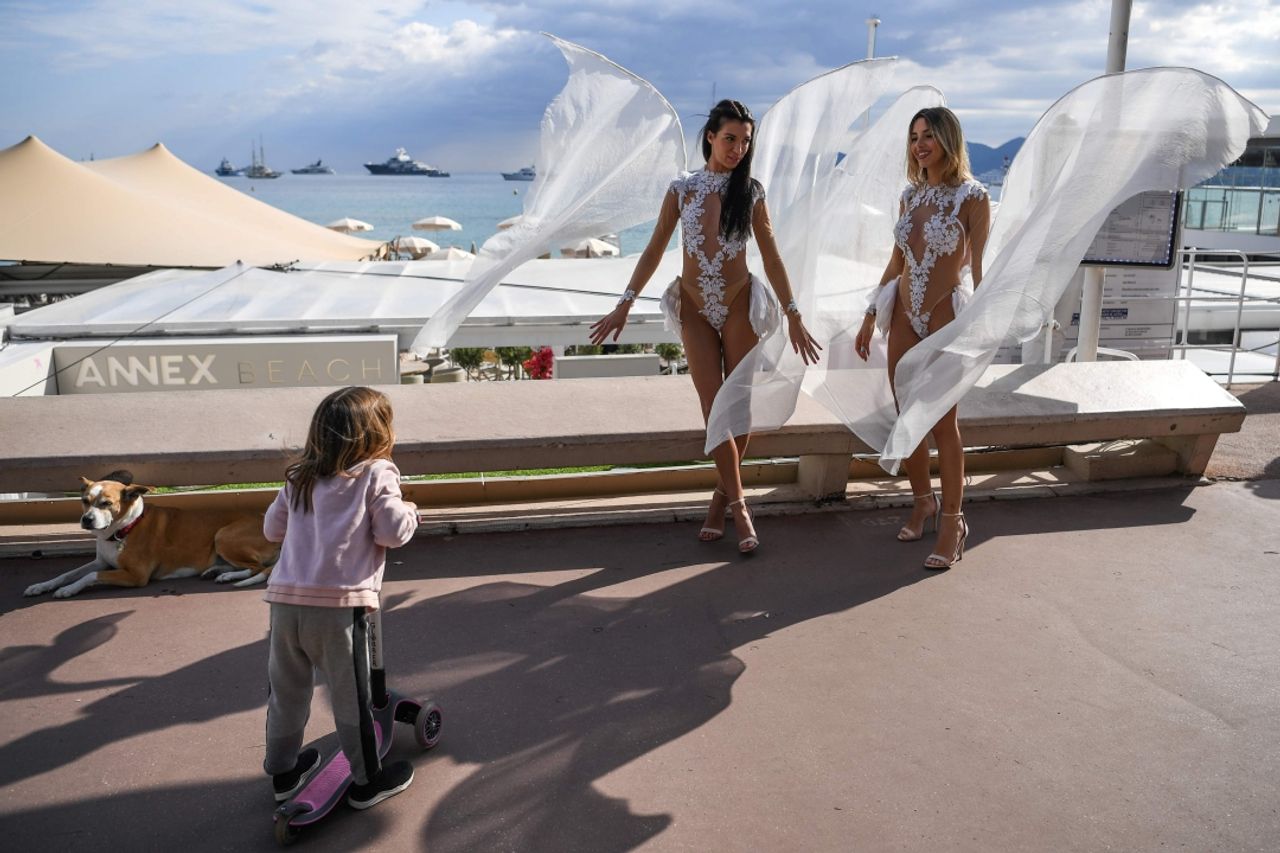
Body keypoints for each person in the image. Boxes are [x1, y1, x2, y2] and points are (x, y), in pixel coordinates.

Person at [590, 99, 821, 554]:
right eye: (730, 138)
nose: (738, 148)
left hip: (738, 303)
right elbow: (656, 246)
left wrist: (794, 313)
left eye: (745, 140)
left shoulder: (751, 192)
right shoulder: (682, 189)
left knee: (740, 409)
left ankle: (720, 501)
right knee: (713, 406)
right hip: (695, 305)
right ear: (711, 137)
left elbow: (771, 255)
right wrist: (624, 303)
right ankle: (740, 507)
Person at [260, 386, 421, 809]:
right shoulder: (377, 471)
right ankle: (368, 782)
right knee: (351, 697)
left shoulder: (299, 475)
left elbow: (271, 531)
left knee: (287, 692)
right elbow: (391, 532)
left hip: (285, 603)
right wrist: (412, 513)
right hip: (339, 607)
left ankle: (283, 771)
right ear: (377, 432)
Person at [853, 106, 990, 569]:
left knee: (942, 424)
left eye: (928, 135)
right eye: (914, 137)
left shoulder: (974, 197)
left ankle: (953, 521)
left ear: (948, 139)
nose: (919, 145)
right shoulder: (909, 197)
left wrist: (984, 323)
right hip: (905, 318)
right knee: (905, 416)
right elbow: (897, 263)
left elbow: (980, 268)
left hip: (946, 318)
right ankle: (922, 501)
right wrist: (872, 312)